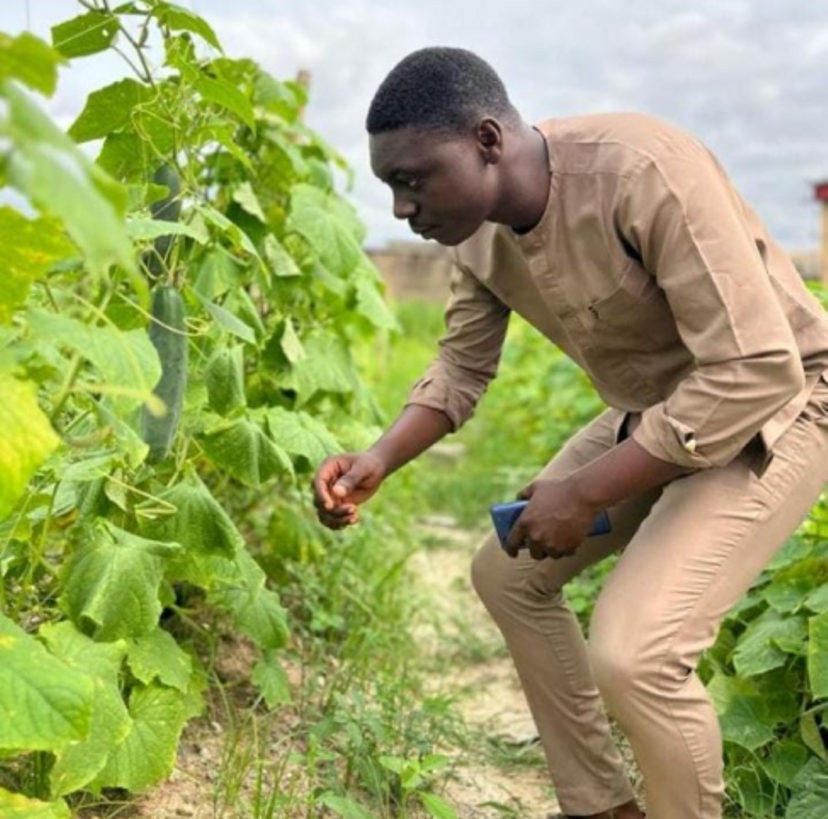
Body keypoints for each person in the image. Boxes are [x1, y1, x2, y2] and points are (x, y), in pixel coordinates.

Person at [311, 46, 828, 819]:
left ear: (487, 140)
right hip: (654, 409)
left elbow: (755, 367)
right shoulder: (478, 235)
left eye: (412, 180)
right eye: (392, 187)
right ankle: (602, 807)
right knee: (507, 575)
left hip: (782, 406)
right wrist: (376, 461)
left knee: (636, 654)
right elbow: (460, 369)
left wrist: (585, 490)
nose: (400, 210)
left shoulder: (643, 170)